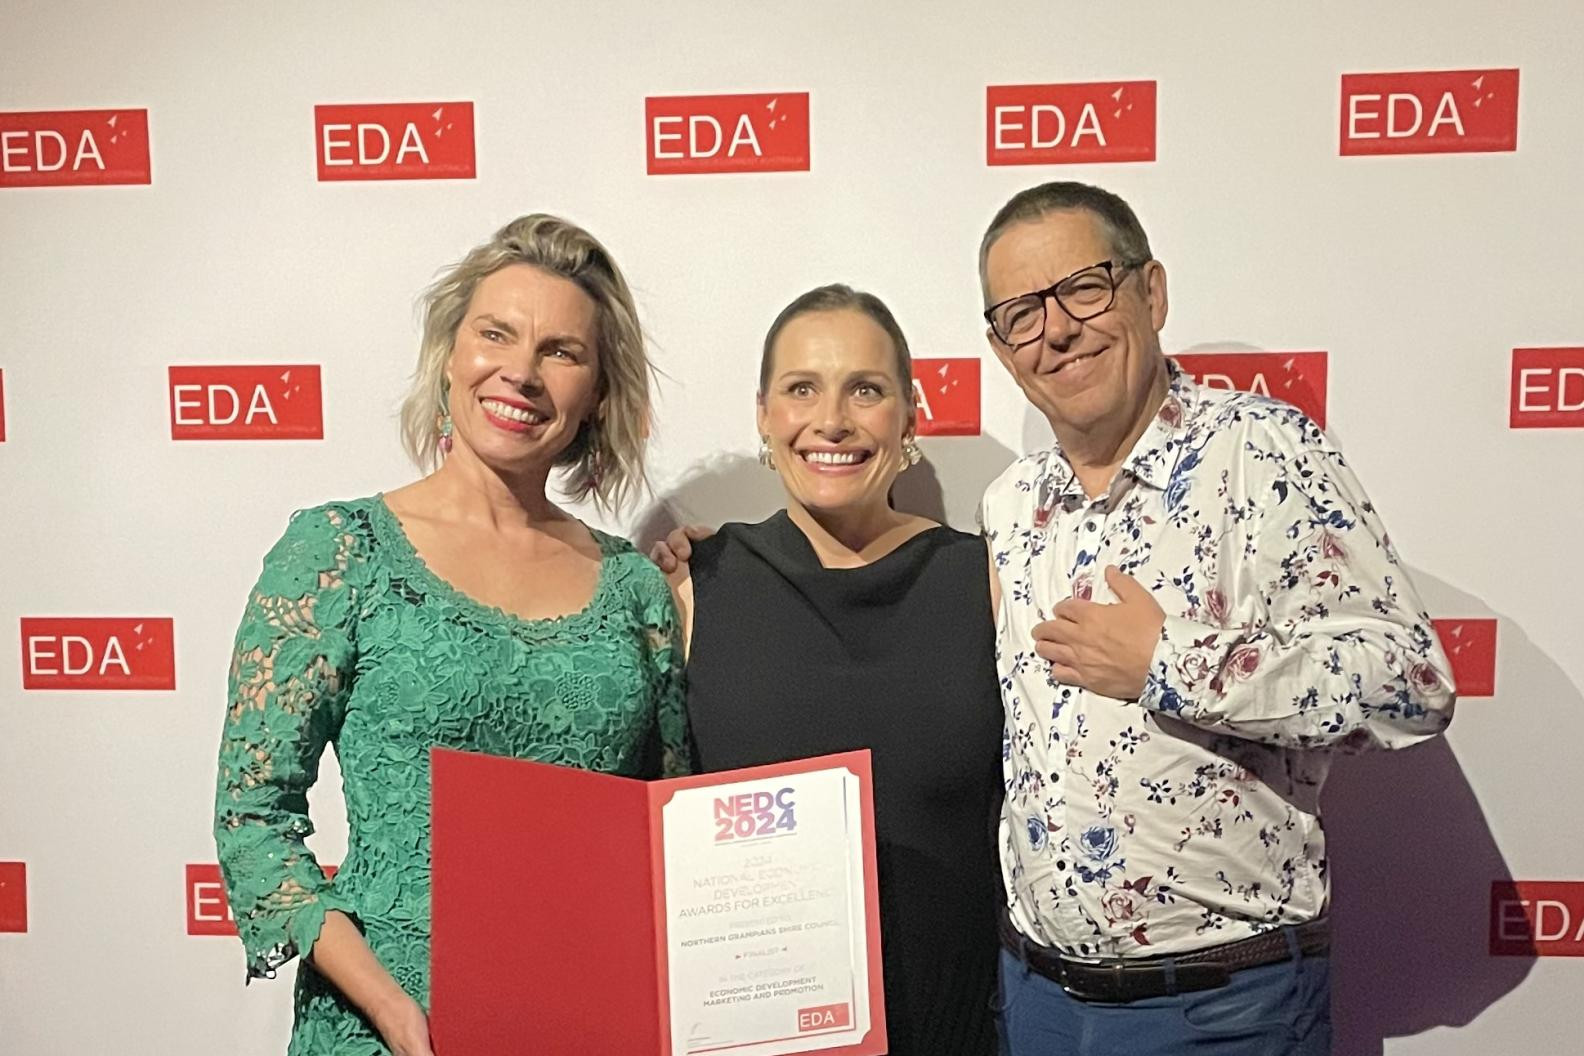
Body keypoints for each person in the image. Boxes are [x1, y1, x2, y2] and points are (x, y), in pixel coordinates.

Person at [977, 181, 1457, 1054]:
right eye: (1020, 313)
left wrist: (1169, 662)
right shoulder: (1010, 506)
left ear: (1150, 292)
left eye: (1084, 288)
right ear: (1001, 347)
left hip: (1225, 1007)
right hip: (1038, 998)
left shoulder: (1265, 450)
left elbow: (1411, 682)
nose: (1055, 328)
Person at [212, 215, 690, 1056]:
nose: (520, 372)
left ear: (600, 394)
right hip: (383, 1034)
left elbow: (672, 834)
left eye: (561, 352)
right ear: (450, 355)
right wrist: (394, 1011)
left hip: (584, 1026)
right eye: (495, 334)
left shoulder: (635, 589)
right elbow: (254, 818)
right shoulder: (338, 552)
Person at [660, 285, 1003, 1055]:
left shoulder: (983, 579)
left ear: (910, 414)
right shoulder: (695, 583)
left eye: (867, 390)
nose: (833, 421)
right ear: (763, 413)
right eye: (801, 389)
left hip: (954, 1033)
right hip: (750, 1034)